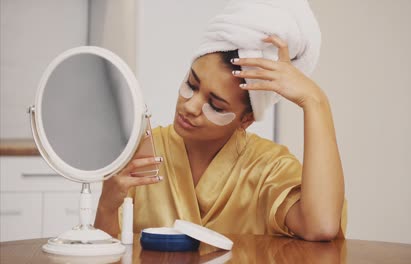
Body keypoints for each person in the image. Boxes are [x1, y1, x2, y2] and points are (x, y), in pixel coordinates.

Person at [95, 0, 346, 241]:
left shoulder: (268, 168)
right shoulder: (143, 154)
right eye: (191, 85)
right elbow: (103, 253)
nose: (190, 106)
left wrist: (315, 101)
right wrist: (107, 203)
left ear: (246, 119)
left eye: (215, 105)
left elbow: (321, 226)